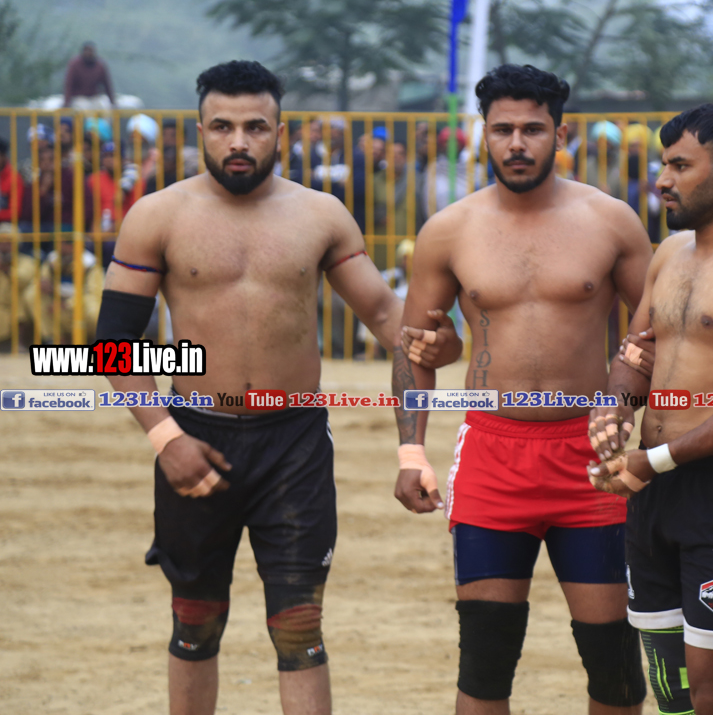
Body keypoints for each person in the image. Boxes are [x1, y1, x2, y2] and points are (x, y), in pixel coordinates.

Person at [97, 60, 457, 715]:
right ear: (200, 131)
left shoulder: (321, 215)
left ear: (280, 132)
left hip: (294, 442)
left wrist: (442, 347)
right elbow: (111, 344)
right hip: (193, 433)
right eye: (223, 126)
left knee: (299, 626)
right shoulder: (156, 216)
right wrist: (166, 438)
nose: (239, 141)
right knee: (195, 620)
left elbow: (388, 320)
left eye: (255, 127)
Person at [394, 63, 652, 715]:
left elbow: (656, 330)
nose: (516, 143)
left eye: (532, 129)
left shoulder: (611, 221)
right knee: (484, 663)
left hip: (592, 458)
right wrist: (411, 451)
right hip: (492, 455)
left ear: (559, 134)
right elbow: (415, 348)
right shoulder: (448, 229)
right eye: (502, 129)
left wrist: (625, 401)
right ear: (481, 134)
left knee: (615, 664)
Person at [586, 104, 713, 715]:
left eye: (679, 166)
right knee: (669, 685)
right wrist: (613, 409)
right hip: (651, 483)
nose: (662, 180)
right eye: (664, 165)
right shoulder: (668, 252)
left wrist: (655, 458)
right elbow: (636, 350)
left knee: (711, 688)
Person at [62, 41, 115, 109]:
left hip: (94, 97)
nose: (89, 53)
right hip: (79, 98)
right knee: (84, 109)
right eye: (87, 50)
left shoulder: (100, 66)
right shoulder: (74, 65)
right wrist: (66, 103)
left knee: (103, 109)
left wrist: (112, 102)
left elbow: (107, 85)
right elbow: (69, 85)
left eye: (91, 51)